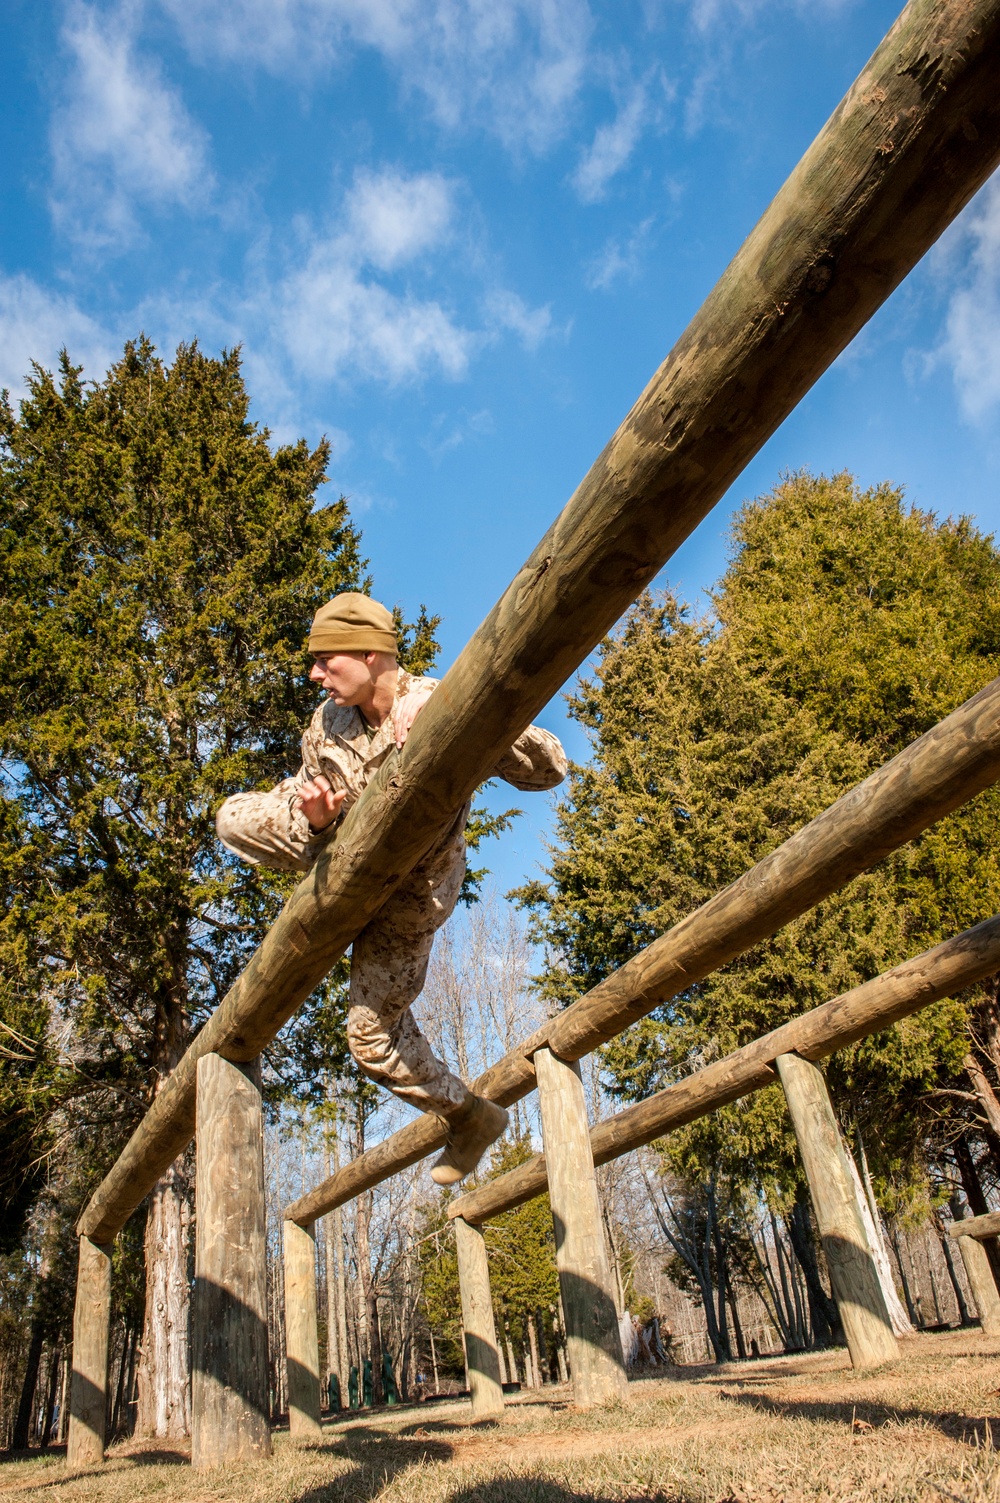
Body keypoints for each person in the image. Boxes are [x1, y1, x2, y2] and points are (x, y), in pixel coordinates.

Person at [216, 592, 566, 1184]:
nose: (314, 674)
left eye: (327, 660)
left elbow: (550, 765)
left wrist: (454, 710)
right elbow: (299, 790)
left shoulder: (434, 697)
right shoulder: (327, 723)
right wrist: (315, 816)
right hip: (342, 867)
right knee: (232, 816)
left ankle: (471, 1117)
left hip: (408, 901)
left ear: (373, 653)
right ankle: (332, 846)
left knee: (369, 1041)